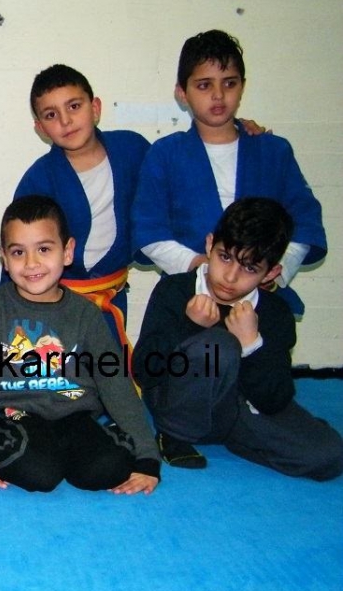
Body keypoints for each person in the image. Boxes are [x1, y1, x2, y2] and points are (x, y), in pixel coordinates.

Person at [0, 195, 160, 495]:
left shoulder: (85, 314)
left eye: (44, 249)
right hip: (11, 412)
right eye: (18, 252)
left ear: (67, 251)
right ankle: (27, 448)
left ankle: (69, 447)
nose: (31, 263)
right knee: (39, 473)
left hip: (73, 415)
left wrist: (147, 456)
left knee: (107, 468)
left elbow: (115, 383)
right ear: (4, 258)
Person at [133, 198, 342, 478]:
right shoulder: (175, 290)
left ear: (271, 273)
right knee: (218, 345)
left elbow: (274, 399)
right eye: (225, 257)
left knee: (328, 455)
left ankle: (240, 439)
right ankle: (174, 435)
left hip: (239, 408)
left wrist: (252, 345)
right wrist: (190, 325)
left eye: (250, 268)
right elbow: (144, 371)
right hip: (178, 408)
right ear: (210, 245)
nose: (230, 277)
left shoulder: (275, 312)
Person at [132, 29, 326, 316]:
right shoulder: (165, 154)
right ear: (182, 93)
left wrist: (272, 268)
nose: (218, 95)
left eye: (229, 83)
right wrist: (200, 266)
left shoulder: (273, 151)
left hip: (261, 297)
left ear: (242, 87)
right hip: (189, 297)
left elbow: (305, 221)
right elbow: (148, 230)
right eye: (204, 85)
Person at [14, 65, 151, 349]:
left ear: (95, 107)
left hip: (112, 295)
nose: (66, 121)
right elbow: (19, 248)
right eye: (51, 115)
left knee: (109, 370)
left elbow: (173, 177)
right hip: (53, 301)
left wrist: (236, 129)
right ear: (40, 127)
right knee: (55, 373)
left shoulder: (132, 149)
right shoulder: (38, 180)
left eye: (74, 106)